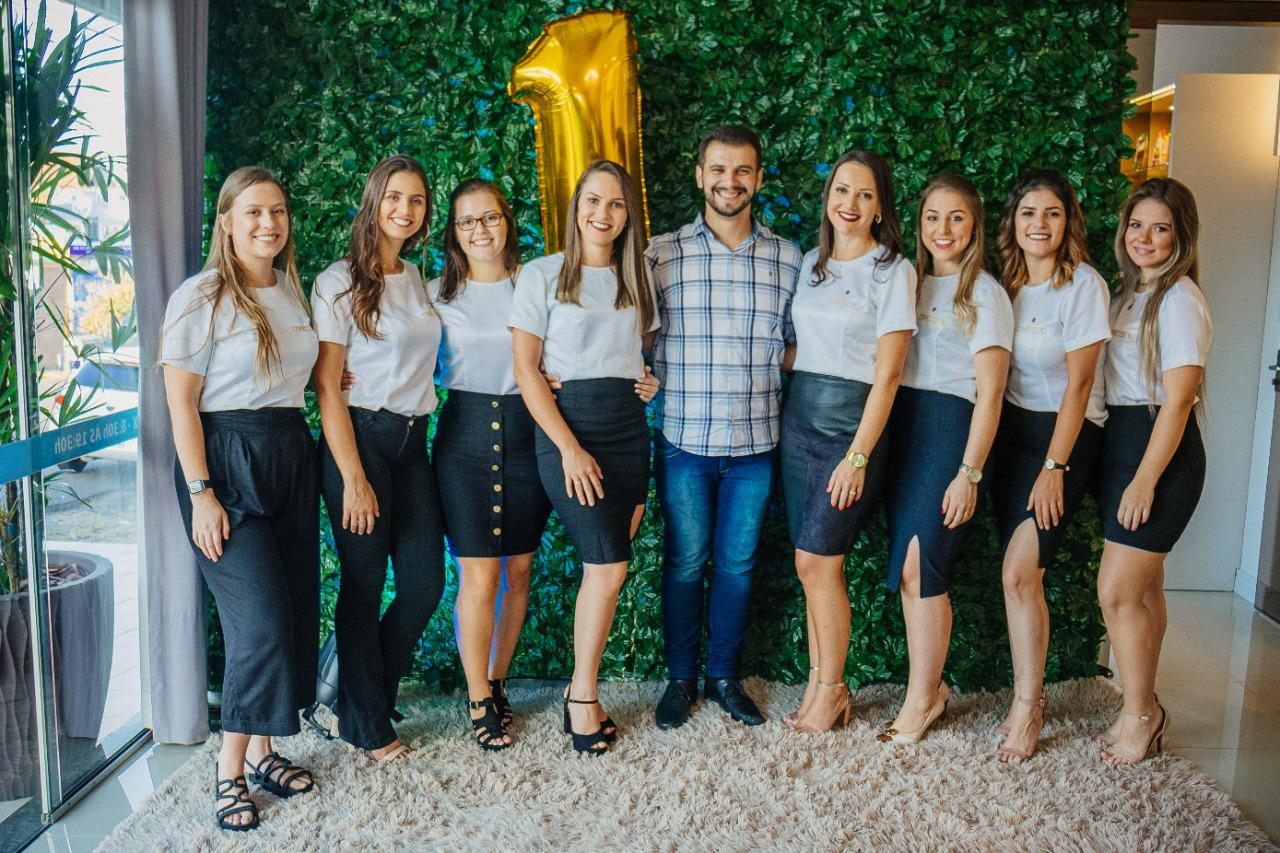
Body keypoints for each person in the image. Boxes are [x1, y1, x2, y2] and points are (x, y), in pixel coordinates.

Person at [430, 178, 656, 750]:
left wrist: (644, 379)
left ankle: (499, 683)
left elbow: (609, 347)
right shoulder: (438, 293)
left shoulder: (538, 277)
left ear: (508, 221)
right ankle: (480, 695)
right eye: (467, 222)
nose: (480, 229)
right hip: (476, 436)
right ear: (454, 235)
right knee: (479, 574)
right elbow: (398, 342)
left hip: (535, 429)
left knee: (520, 572)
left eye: (490, 218)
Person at [162, 167, 319, 831]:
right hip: (223, 461)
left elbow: (300, 377)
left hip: (288, 452)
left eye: (277, 211)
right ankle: (229, 770)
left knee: (289, 611)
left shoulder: (292, 290)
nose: (268, 224)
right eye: (253, 212)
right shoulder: (201, 296)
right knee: (256, 622)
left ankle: (263, 750)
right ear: (225, 220)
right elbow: (180, 401)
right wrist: (201, 491)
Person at [648, 125, 804, 730]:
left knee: (737, 567)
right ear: (699, 175)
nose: (729, 182)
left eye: (742, 171)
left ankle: (723, 677)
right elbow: (631, 336)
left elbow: (794, 346)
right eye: (718, 169)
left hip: (756, 446)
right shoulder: (660, 255)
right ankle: (681, 680)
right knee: (686, 563)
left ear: (759, 179)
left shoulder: (787, 259)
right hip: (684, 439)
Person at [509, 159, 659, 754]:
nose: (603, 214)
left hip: (628, 428)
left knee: (612, 565)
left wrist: (647, 382)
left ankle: (582, 689)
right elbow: (526, 371)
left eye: (616, 204)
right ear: (576, 207)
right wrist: (568, 448)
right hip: (569, 428)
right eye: (593, 201)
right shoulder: (543, 275)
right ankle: (581, 697)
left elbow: (635, 351)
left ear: (628, 216)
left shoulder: (637, 278)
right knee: (608, 566)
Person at [311, 155, 442, 763]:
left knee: (422, 585)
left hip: (414, 443)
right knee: (363, 585)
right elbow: (327, 387)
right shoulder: (337, 281)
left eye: (415, 201)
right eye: (394, 197)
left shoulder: (417, 277)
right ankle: (366, 723)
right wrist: (353, 478)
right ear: (374, 201)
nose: (405, 210)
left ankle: (357, 698)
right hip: (358, 441)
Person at [781, 150, 915, 733]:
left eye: (864, 195)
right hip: (798, 421)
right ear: (828, 197)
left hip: (852, 426)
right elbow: (801, 352)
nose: (850, 204)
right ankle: (817, 683)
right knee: (808, 565)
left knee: (817, 560)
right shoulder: (813, 261)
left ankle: (833, 691)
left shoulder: (894, 270)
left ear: (880, 205)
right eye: (842, 190)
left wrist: (858, 455)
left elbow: (888, 375)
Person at [876, 173, 1013, 743]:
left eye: (956, 217)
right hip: (902, 429)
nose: (943, 229)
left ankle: (924, 698)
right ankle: (927, 689)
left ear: (975, 225)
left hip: (950, 431)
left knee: (921, 562)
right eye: (933, 217)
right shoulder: (908, 284)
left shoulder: (985, 293)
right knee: (909, 568)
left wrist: (969, 473)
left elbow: (992, 393)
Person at [991, 169, 1110, 762]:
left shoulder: (1082, 285)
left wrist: (1055, 465)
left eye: (1052, 213)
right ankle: (1025, 696)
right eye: (1029, 212)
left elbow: (1081, 382)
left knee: (1020, 572)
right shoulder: (1006, 285)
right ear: (1013, 221)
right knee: (1015, 577)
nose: (1040, 224)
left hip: (1066, 438)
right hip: (1012, 438)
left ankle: (1029, 704)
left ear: (1069, 222)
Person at [1096, 177, 1210, 764]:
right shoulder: (1126, 294)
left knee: (1116, 593)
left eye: (1160, 227)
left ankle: (1143, 713)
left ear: (1180, 236)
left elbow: (1179, 401)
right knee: (1145, 590)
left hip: (1158, 455)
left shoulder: (1180, 300)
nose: (1145, 237)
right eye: (1137, 225)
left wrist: (1144, 479)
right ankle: (1141, 702)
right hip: (1121, 444)